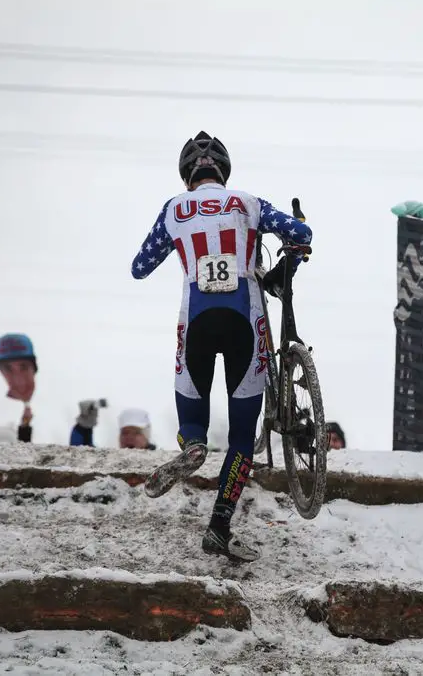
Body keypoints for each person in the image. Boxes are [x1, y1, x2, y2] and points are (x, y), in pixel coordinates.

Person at [131, 130, 312, 563]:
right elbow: (300, 232)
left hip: (194, 321)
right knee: (241, 439)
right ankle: (219, 525)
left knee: (193, 408)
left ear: (187, 174)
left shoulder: (174, 208)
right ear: (224, 172)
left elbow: (140, 267)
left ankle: (192, 445)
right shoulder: (248, 203)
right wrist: (291, 251)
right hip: (245, 319)